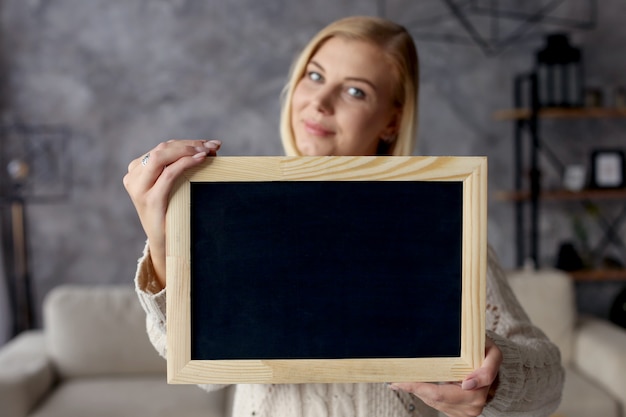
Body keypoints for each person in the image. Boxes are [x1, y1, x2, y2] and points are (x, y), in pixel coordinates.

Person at [123, 15, 564, 417]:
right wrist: (165, 243)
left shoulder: (437, 231)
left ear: (391, 121)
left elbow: (548, 386)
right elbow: (197, 369)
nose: (320, 101)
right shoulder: (237, 224)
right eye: (315, 76)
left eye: (356, 90)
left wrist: (491, 378)